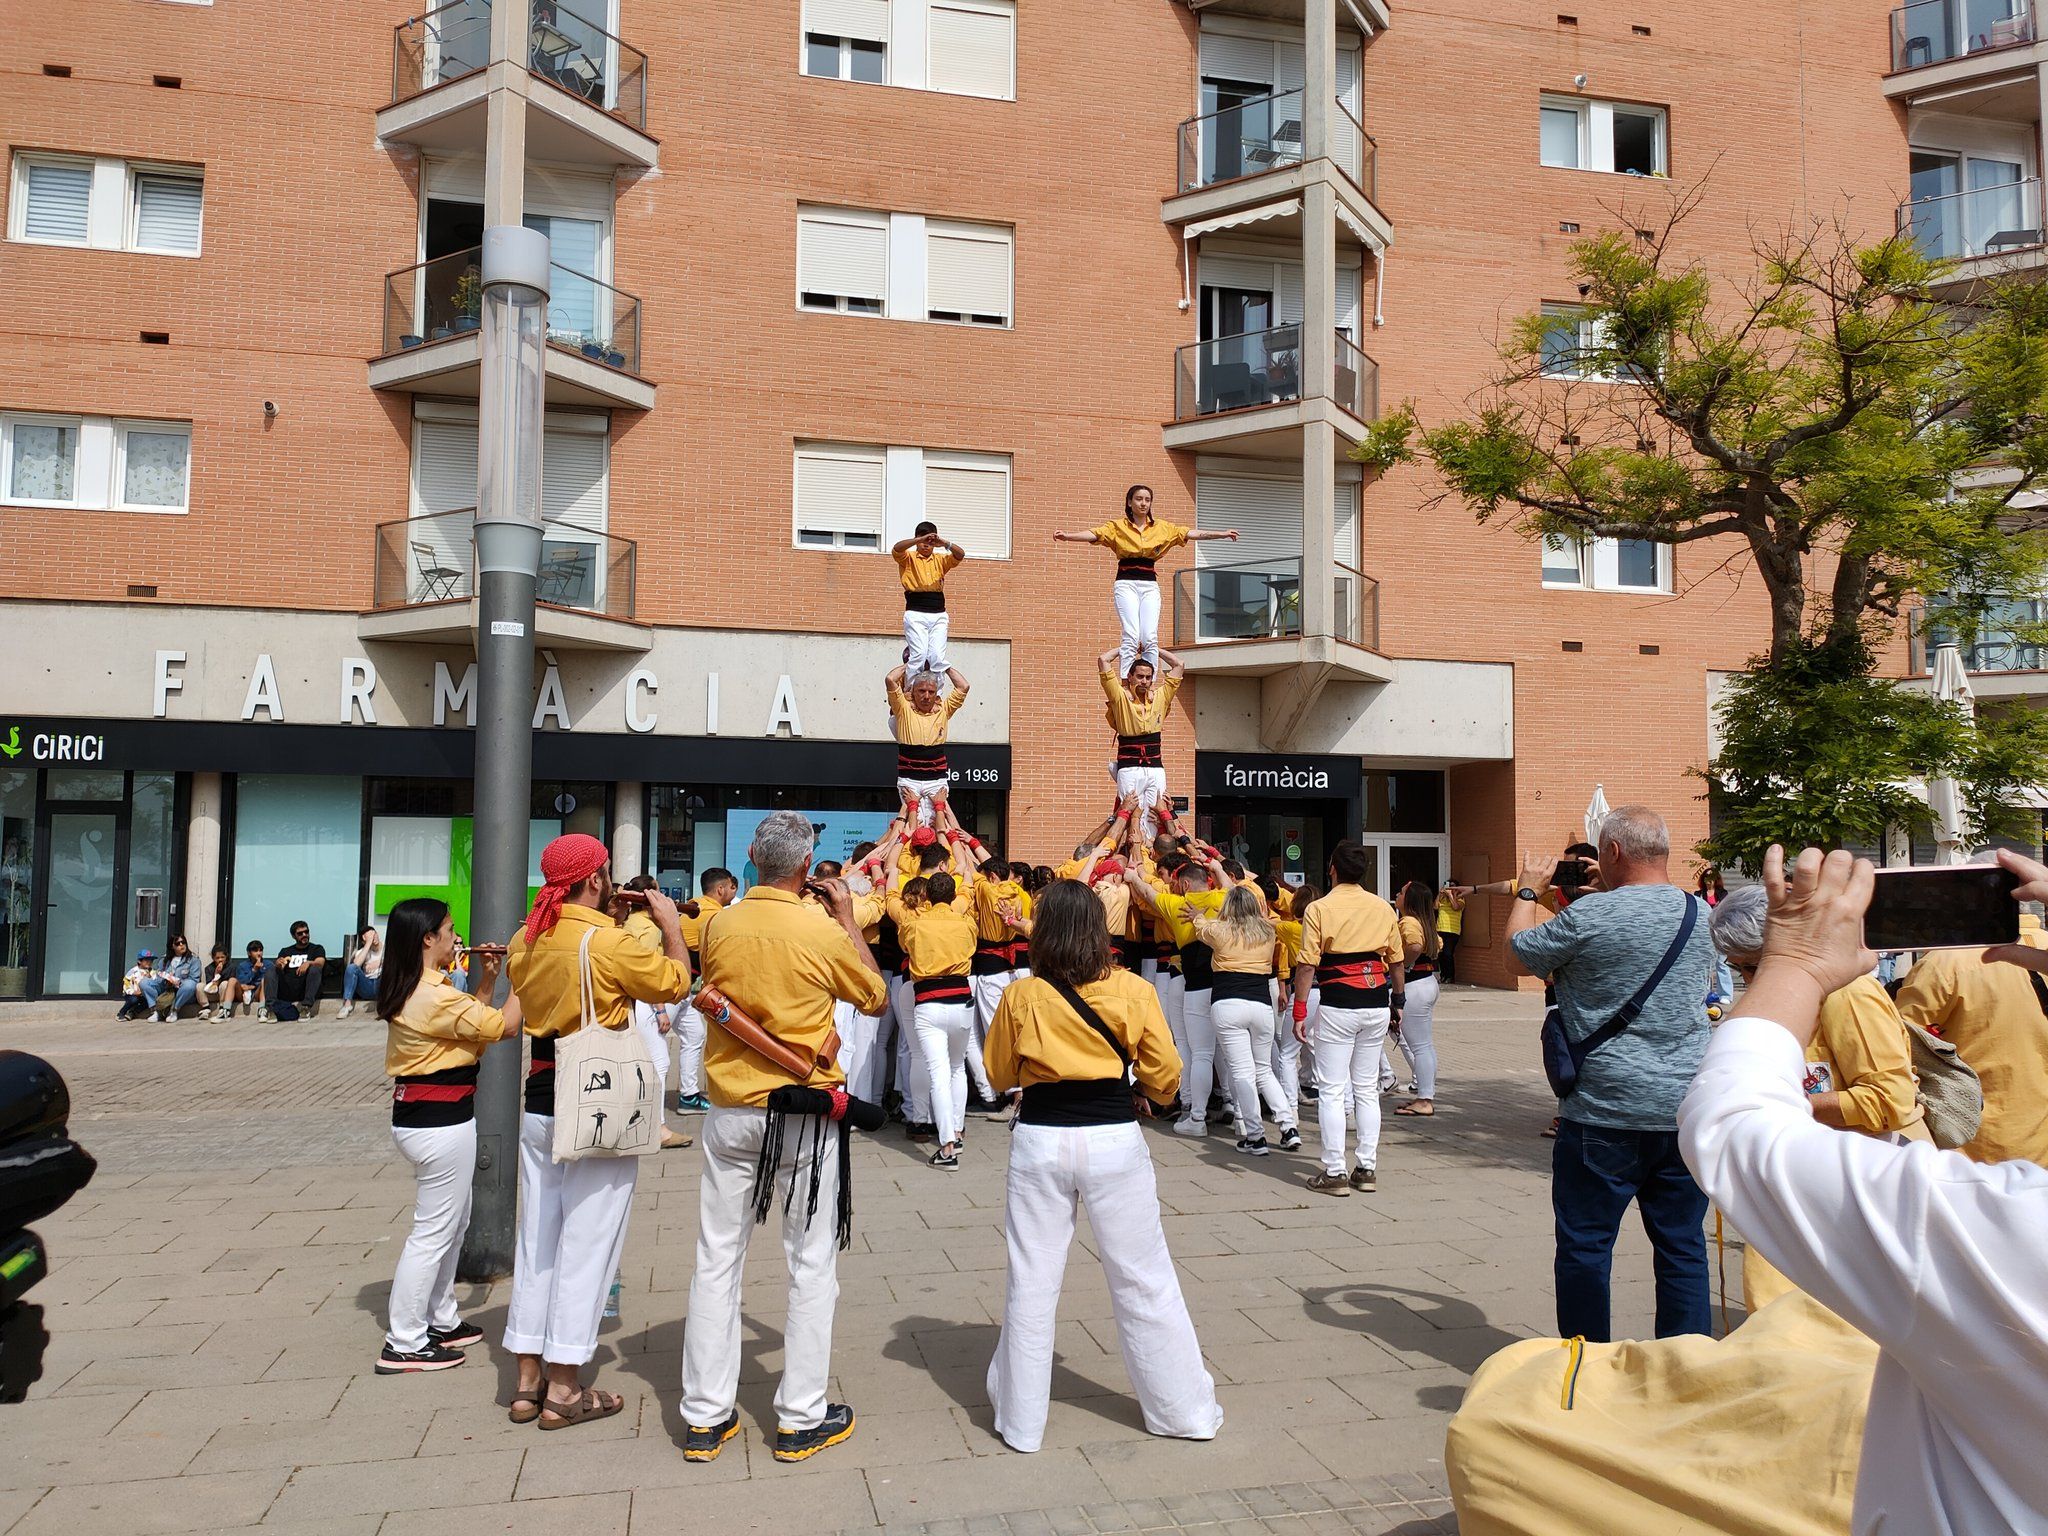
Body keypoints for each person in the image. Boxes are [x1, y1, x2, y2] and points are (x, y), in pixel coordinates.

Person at [1678, 844, 2048, 1532]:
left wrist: (1791, 989)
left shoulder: (2000, 1235)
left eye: (1747, 968)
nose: (1740, 978)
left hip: (1877, 1192)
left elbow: (1878, 1098)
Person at [982, 879, 1221, 1454]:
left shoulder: (1022, 996)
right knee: (1143, 1278)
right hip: (1114, 1136)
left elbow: (997, 1075)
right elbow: (1166, 1075)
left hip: (1041, 1136)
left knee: (1032, 1279)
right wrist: (1145, 1094)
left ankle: (1022, 1422)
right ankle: (1182, 1411)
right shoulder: (1135, 990)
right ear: (1096, 929)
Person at [680, 810, 887, 1465]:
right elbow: (874, 995)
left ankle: (705, 1416)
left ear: (751, 858)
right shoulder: (819, 928)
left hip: (732, 1106)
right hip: (802, 1108)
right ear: (806, 868)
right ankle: (799, 1416)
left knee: (717, 1258)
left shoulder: (720, 923)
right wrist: (848, 920)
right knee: (810, 1261)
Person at [1507, 805, 1716, 1342]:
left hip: (1602, 1112)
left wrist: (1528, 892)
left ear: (1614, 852)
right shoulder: (1702, 917)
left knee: (1585, 1246)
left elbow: (1515, 956)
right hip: (1684, 1111)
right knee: (1682, 1246)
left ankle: (1588, 1364)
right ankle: (1684, 1365)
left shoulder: (1589, 917)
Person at [504, 833, 691, 1430]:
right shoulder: (607, 942)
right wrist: (668, 925)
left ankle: (526, 1380)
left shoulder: (523, 938)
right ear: (596, 879)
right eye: (606, 873)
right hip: (595, 1103)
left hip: (538, 1099)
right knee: (589, 1247)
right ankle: (564, 1387)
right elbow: (672, 984)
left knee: (537, 1241)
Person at [376, 896, 517, 1373]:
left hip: (435, 1117)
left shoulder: (427, 989)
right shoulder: (432, 994)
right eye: (450, 929)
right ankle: (405, 1339)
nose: (458, 937)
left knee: (453, 1224)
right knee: (433, 1233)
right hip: (438, 1123)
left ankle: (440, 1317)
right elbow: (502, 1026)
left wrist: (491, 979)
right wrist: (529, 965)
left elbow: (468, 1031)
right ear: (427, 939)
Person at [1709, 884, 1928, 1142]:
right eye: (1739, 969)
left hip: (1877, 1163)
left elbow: (1891, 1101)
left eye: (1754, 967)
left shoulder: (1847, 992)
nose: (1749, 980)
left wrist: (1791, 1104)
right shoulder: (1784, 999)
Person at [1293, 844, 1405, 1195]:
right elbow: (1397, 962)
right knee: (1366, 1088)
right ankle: (1367, 1168)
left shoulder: (1319, 908)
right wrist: (1397, 1002)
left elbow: (1308, 964)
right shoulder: (1382, 907)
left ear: (1332, 869)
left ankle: (1335, 1170)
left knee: (1331, 1089)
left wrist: (1299, 1011)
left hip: (1338, 1003)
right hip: (1375, 1002)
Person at [1895, 922, 2048, 1166]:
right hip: (2039, 1144)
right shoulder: (2042, 944)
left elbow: (1895, 1044)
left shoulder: (1944, 962)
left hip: (1977, 1150)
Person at [1052, 484, 1238, 676]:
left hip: (1149, 584)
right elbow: (1094, 534)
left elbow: (1191, 533)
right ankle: (1126, 679)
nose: (1143, 503)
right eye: (1139, 499)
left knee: (1149, 636)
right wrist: (1068, 537)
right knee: (1131, 635)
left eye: (1147, 500)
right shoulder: (1117, 527)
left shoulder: (1162, 528)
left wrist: (1221, 534)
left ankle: (1148, 680)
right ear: (1129, 502)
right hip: (1125, 583)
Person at [1124, 849, 1230, 1139]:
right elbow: (1234, 889)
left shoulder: (1177, 905)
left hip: (1194, 985)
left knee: (1197, 1052)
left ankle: (1195, 1114)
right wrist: (1217, 867)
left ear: (1183, 884)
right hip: (1224, 985)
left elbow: (1147, 892)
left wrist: (1133, 875)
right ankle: (1244, 1116)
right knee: (1230, 1053)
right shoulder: (1223, 899)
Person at [887, 858, 981, 1169]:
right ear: (953, 897)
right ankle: (956, 1129)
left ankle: (948, 1146)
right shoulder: (966, 923)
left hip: (927, 999)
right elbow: (970, 947)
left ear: (927, 896)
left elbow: (906, 947)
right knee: (956, 1068)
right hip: (960, 999)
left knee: (936, 1070)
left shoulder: (915, 924)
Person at [1196, 885, 1297, 1156]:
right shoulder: (1267, 931)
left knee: (1241, 1071)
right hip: (1261, 1004)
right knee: (1263, 1070)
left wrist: (1198, 915)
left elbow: (1201, 929)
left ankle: (1255, 1135)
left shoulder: (1220, 930)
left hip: (1228, 1003)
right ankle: (1289, 1126)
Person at [617, 875, 693, 1153]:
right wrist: (660, 1008)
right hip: (645, 1003)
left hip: (635, 1003)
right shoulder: (648, 930)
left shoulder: (630, 923)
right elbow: (650, 972)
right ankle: (656, 1127)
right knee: (659, 1062)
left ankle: (646, 1122)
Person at [672, 867, 738, 1117]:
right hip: (675, 987)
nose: (733, 893)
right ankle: (653, 1114)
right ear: (721, 888)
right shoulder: (714, 914)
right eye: (732, 888)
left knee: (694, 1035)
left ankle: (688, 1096)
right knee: (658, 1052)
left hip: (683, 987)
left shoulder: (691, 906)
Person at [1098, 646, 1183, 841]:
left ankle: (1153, 850)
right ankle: (1128, 850)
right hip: (1129, 767)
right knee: (1129, 810)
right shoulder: (1120, 697)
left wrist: (1154, 648)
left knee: (1157, 810)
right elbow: (1103, 660)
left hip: (1155, 767)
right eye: (1140, 676)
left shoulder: (1160, 697)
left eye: (1148, 677)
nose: (1144, 681)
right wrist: (1126, 648)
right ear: (1130, 677)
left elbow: (1179, 665)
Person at [886, 662, 970, 827]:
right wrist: (912, 663)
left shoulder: (944, 710)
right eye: (921, 691)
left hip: (936, 780)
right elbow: (890, 680)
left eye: (931, 692)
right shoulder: (903, 709)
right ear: (913, 692)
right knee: (913, 825)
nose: (926, 696)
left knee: (936, 824)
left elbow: (963, 686)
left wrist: (943, 666)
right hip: (909, 779)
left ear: (936, 693)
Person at [1391, 881, 1442, 1118]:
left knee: (1419, 1046)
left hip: (1414, 985)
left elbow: (1414, 944)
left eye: (1400, 892)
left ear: (1409, 900)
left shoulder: (1409, 921)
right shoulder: (1426, 921)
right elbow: (1434, 944)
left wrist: (1405, 964)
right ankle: (1425, 1093)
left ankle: (1424, 1099)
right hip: (1427, 982)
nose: (1396, 895)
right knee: (1425, 1045)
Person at [893, 520, 965, 675]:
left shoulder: (941, 560)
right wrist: (920, 539)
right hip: (916, 611)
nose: (926, 545)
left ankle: (936, 694)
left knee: (937, 657)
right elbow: (896, 549)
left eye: (930, 542)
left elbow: (960, 555)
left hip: (938, 612)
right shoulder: (908, 558)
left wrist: (944, 542)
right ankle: (910, 690)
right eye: (923, 540)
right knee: (918, 655)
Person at [272, 920, 328, 1020]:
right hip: (289, 989)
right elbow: (279, 966)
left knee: (315, 969)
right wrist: (279, 964)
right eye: (300, 933)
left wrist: (309, 963)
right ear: (293, 936)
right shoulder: (286, 951)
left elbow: (320, 963)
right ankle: (269, 1008)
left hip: (307, 988)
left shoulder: (316, 949)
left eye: (306, 932)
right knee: (271, 971)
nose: (304, 935)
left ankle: (306, 1008)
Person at [142, 934, 201, 1020]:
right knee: (144, 982)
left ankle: (174, 1010)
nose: (181, 945)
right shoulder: (165, 960)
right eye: (178, 943)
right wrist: (165, 979)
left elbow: (194, 979)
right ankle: (155, 1011)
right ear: (172, 946)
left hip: (182, 990)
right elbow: (158, 976)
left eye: (183, 942)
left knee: (190, 984)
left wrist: (177, 982)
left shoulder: (193, 960)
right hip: (166, 988)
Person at [337, 927, 383, 1019]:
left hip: (381, 985)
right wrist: (368, 944)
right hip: (366, 986)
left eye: (374, 934)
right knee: (351, 967)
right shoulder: (362, 952)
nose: (373, 937)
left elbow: (397, 963)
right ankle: (347, 1005)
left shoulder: (388, 948)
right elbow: (356, 965)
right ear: (363, 941)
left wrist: (379, 963)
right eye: (369, 937)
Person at [231, 939, 270, 1019]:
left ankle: (262, 1009)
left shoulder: (268, 964)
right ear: (249, 953)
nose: (259, 953)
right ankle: (225, 1010)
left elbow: (270, 981)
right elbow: (241, 982)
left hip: (258, 993)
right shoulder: (242, 966)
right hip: (244, 993)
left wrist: (254, 987)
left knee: (264, 979)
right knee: (232, 980)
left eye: (261, 950)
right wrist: (254, 970)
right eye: (255, 951)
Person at [1434, 884, 1464, 985]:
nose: (1450, 889)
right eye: (1448, 887)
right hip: (1440, 929)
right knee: (1441, 954)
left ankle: (1450, 977)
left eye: (1452, 887)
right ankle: (1443, 975)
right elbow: (1435, 906)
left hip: (1452, 931)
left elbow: (1455, 907)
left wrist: (1451, 895)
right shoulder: (1443, 899)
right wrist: (1440, 894)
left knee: (1448, 954)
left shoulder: (1461, 900)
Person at [117, 950, 158, 1020]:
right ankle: (121, 1013)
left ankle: (132, 1012)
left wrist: (150, 978)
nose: (149, 962)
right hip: (132, 994)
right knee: (133, 1000)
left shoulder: (152, 972)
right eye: (146, 960)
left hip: (143, 995)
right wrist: (133, 992)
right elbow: (126, 983)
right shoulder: (133, 971)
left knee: (149, 1001)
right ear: (139, 961)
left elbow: (155, 983)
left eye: (151, 960)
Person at [197, 945, 234, 1020]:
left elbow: (230, 984)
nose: (220, 960)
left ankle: (222, 1007)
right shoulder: (209, 968)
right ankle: (205, 1008)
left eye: (222, 957)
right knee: (199, 985)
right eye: (217, 958)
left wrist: (220, 975)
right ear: (213, 958)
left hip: (224, 995)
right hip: (212, 993)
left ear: (226, 957)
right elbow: (210, 987)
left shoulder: (231, 967)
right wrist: (216, 974)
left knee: (225, 983)